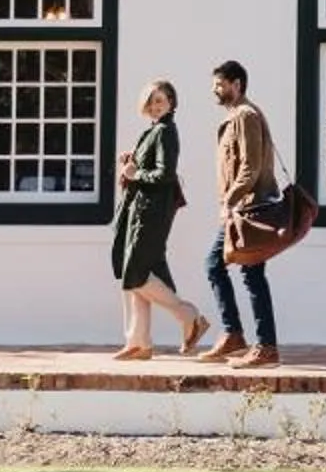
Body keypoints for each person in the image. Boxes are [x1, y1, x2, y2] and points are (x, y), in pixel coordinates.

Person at [109, 81, 206, 359]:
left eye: (160, 101)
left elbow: (165, 174)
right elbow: (150, 168)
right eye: (150, 102)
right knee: (136, 272)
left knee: (136, 273)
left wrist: (135, 174)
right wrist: (133, 162)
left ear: (171, 103)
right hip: (142, 210)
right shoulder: (154, 130)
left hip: (150, 213)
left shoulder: (165, 131)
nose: (154, 106)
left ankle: (189, 316)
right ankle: (138, 342)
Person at [195, 59, 280, 368]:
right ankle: (236, 335)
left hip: (250, 208)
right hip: (242, 209)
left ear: (237, 84)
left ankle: (264, 346)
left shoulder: (246, 116)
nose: (215, 90)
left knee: (238, 270)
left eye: (220, 84)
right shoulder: (236, 116)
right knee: (230, 269)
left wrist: (229, 202)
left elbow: (250, 168)